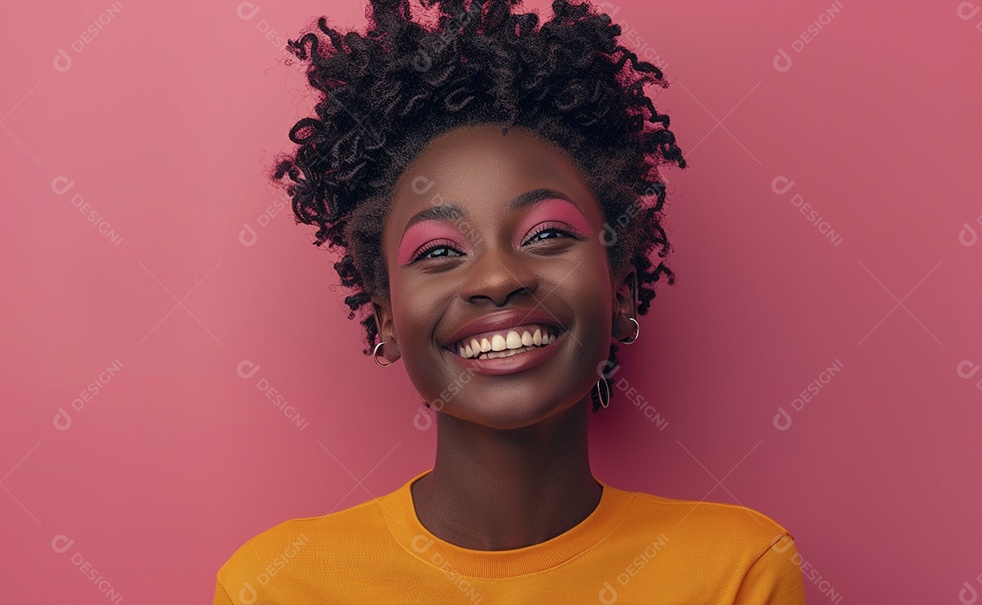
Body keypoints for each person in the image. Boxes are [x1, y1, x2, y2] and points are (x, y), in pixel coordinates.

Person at [214, 0, 807, 602]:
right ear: (387, 319)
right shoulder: (277, 584)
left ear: (620, 289)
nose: (497, 279)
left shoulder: (735, 570)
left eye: (547, 235)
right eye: (439, 252)